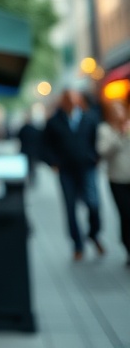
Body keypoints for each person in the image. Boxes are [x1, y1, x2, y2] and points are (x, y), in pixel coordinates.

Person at [43, 89, 104, 261]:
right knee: (70, 207)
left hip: (87, 168)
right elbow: (45, 145)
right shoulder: (54, 121)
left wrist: (95, 157)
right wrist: (53, 162)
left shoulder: (89, 118)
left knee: (93, 203)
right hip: (66, 170)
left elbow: (97, 140)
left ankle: (94, 233)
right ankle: (77, 244)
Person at [96, 99, 130, 266]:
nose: (118, 114)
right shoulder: (105, 129)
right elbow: (103, 151)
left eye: (120, 110)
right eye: (114, 111)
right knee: (126, 214)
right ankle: (128, 246)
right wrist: (120, 135)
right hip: (118, 179)